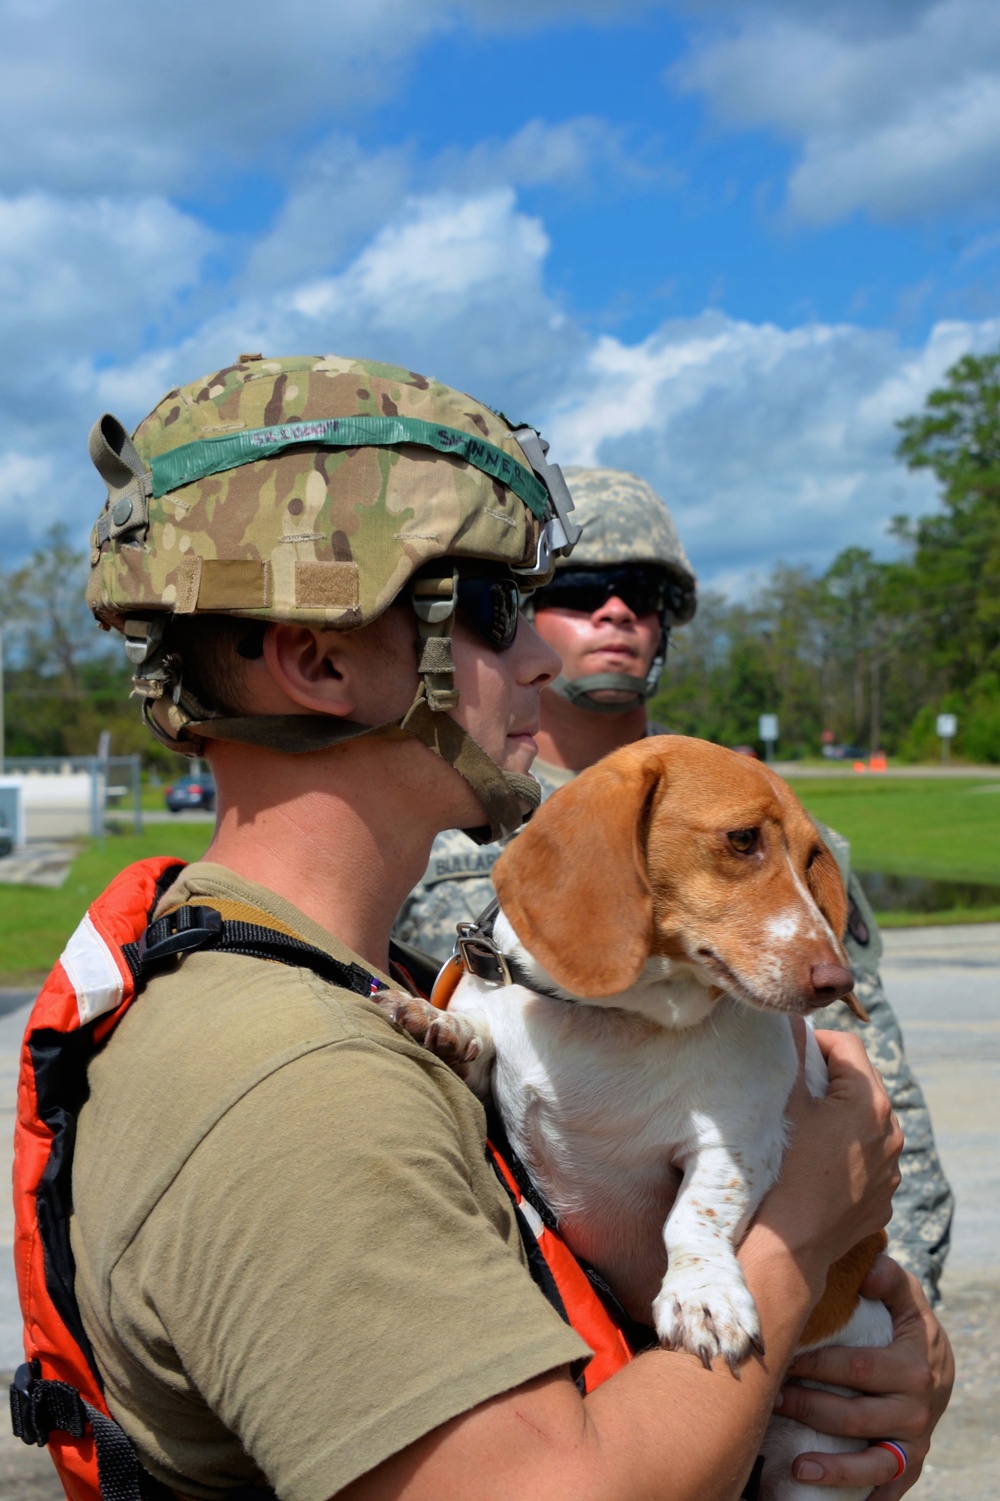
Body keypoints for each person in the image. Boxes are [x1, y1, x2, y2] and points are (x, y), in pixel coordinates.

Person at [66, 361, 946, 1501]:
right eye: (489, 610)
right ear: (320, 658)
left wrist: (882, 1352)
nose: (539, 653)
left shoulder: (364, 983)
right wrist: (798, 1236)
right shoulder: (295, 1083)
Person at [396, 466, 954, 1305]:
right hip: (531, 1328)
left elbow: (873, 1124)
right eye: (581, 588)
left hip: (762, 1323)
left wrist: (896, 1339)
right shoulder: (426, 834)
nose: (619, 612)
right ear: (515, 614)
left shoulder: (784, 842)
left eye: (646, 595)